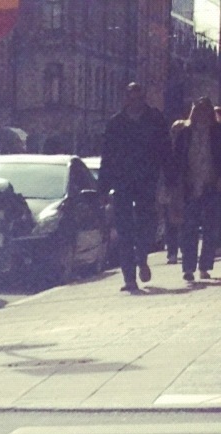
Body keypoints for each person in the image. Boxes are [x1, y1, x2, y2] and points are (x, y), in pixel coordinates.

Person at [101, 79, 170, 291]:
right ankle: (129, 278)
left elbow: (165, 150)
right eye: (131, 97)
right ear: (126, 99)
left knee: (146, 225)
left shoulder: (154, 120)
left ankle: (142, 258)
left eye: (138, 97)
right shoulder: (116, 123)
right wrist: (103, 188)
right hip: (122, 182)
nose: (135, 102)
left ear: (143, 98)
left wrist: (169, 179)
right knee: (124, 230)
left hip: (146, 180)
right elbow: (107, 156)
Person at [170, 93, 219, 282]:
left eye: (206, 110)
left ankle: (205, 266)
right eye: (199, 110)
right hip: (189, 185)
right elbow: (177, 159)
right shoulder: (185, 133)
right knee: (188, 227)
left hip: (211, 185)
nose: (202, 114)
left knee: (210, 228)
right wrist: (175, 183)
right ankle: (188, 267)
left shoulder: (217, 132)